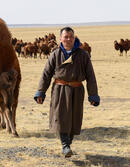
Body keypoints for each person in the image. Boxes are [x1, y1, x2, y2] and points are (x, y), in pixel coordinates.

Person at [34, 27, 100, 157]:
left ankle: (68, 142)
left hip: (77, 90)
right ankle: (65, 145)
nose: (68, 39)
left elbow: (90, 76)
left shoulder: (83, 55)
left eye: (71, 36)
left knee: (74, 118)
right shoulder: (55, 54)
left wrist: (93, 95)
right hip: (60, 90)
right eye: (66, 37)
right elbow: (46, 74)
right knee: (60, 117)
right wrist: (41, 92)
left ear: (74, 38)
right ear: (60, 39)